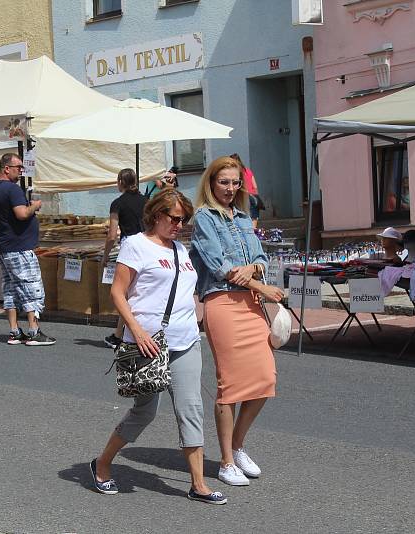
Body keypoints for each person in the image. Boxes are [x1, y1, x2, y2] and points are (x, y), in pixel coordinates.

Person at [89, 189, 227, 505]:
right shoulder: (135, 245)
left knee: (191, 408)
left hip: (185, 342)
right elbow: (118, 293)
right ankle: (103, 463)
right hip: (146, 345)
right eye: (174, 218)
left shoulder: (181, 249)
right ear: (156, 214)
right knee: (144, 412)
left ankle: (198, 484)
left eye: (184, 220)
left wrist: (198, 314)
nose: (180, 225)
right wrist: (136, 332)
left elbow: (186, 291)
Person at [190, 156, 285, 487]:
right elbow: (217, 265)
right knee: (229, 386)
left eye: (234, 183)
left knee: (264, 378)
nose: (230, 188)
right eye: (223, 182)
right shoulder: (204, 217)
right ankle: (226, 462)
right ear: (211, 183)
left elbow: (260, 256)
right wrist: (259, 282)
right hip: (223, 302)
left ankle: (238, 445)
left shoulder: (244, 218)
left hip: (249, 303)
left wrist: (251, 270)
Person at [0, 153, 55, 346]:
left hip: (5, 246)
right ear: (6, 168)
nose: (20, 171)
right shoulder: (12, 189)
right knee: (31, 287)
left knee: (11, 289)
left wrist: (1, 224)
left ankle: (14, 331)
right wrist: (35, 206)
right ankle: (34, 331)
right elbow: (22, 214)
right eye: (18, 168)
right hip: (19, 247)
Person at [101, 168, 147, 349]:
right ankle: (119, 334)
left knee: (124, 293)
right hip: (147, 244)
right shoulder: (147, 201)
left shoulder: (117, 204)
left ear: (121, 181)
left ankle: (121, 336)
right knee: (140, 290)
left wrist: (105, 256)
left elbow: (112, 235)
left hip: (129, 247)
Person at [230, 153, 261, 225]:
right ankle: (253, 233)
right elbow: (255, 185)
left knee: (243, 217)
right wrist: (256, 196)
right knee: (254, 217)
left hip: (243, 196)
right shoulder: (248, 171)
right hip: (253, 195)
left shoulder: (236, 173)